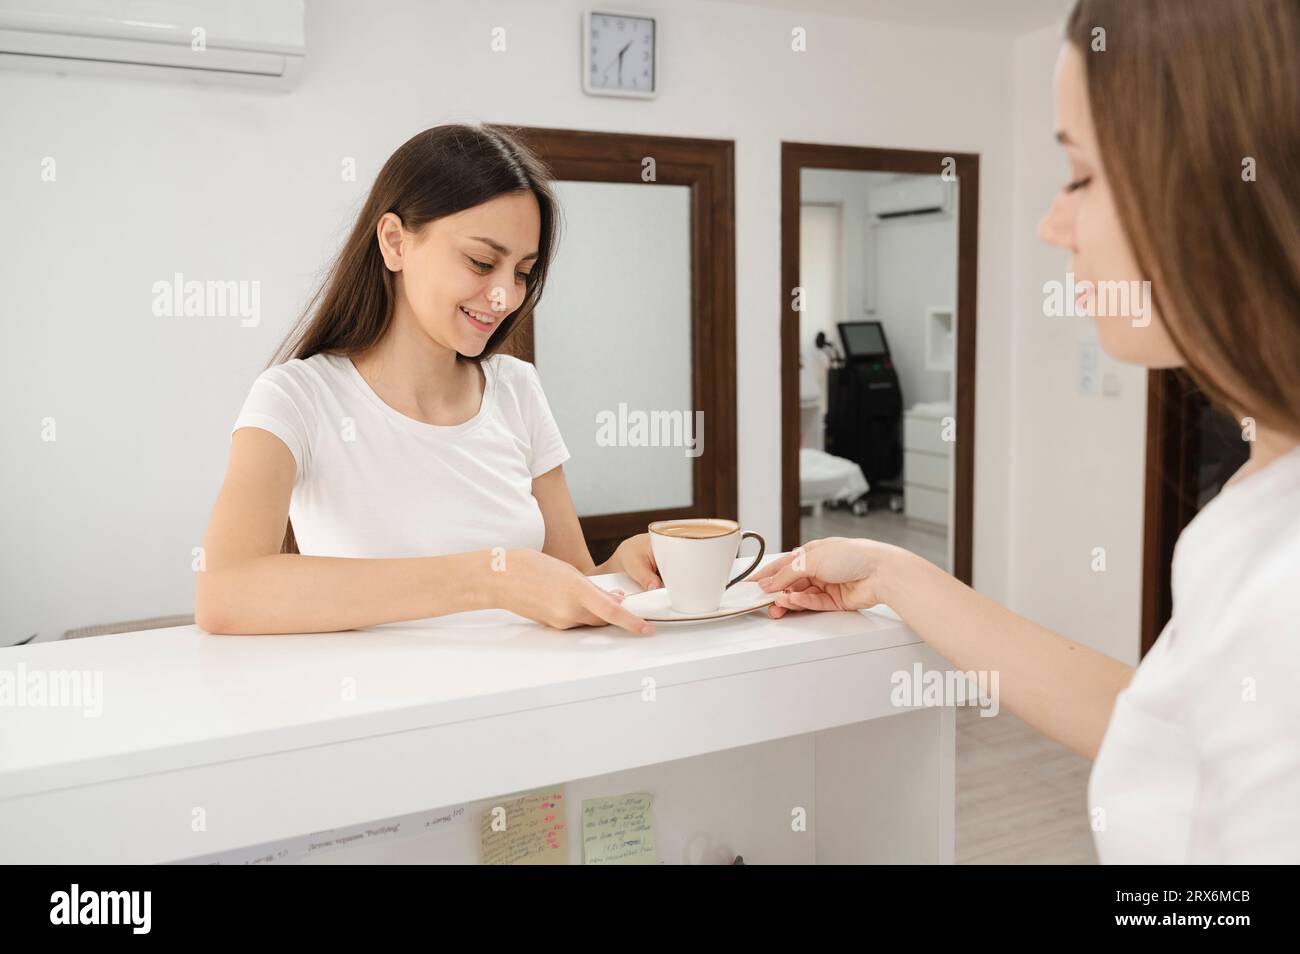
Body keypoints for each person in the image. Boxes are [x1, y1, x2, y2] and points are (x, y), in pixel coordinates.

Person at [756, 0, 1300, 863]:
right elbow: (1157, 730)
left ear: (1224, 184)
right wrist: (897, 571)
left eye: (1081, 176)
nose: (1052, 225)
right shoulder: (1256, 498)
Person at [196, 125, 657, 637]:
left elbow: (572, 583)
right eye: (482, 262)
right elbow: (226, 592)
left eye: (522, 272)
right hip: (386, 714)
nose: (505, 296)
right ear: (395, 242)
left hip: (527, 705)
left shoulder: (517, 389)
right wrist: (491, 579)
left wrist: (627, 569)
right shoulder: (296, 398)